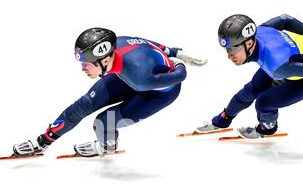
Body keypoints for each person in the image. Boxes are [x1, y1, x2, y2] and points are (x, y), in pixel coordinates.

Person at [13, 28, 207, 157]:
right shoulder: (119, 43)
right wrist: (173, 51)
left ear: (105, 60)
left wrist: (179, 62)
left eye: (87, 64)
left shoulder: (140, 78)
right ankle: (43, 142)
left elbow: (180, 77)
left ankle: (107, 146)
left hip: (157, 92)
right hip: (127, 75)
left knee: (103, 122)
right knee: (83, 106)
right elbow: (146, 42)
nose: (83, 68)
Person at [196, 14, 303, 138]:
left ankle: (266, 129)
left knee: (264, 102)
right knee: (251, 90)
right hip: (293, 61)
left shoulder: (275, 66)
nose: (229, 56)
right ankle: (223, 120)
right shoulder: (261, 31)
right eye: (227, 49)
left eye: (233, 49)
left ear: (249, 44)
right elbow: (286, 19)